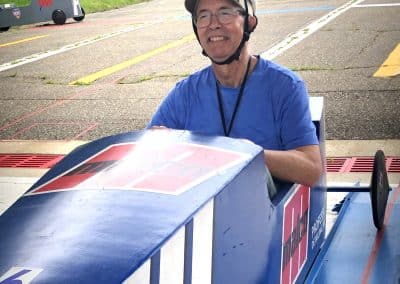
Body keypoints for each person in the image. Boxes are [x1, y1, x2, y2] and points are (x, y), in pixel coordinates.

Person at [148, 0, 322, 187]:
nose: (213, 24)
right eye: (204, 16)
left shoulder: (285, 87)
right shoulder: (185, 93)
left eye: (225, 13)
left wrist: (246, 154)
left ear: (250, 22)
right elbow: (144, 150)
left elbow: (311, 169)